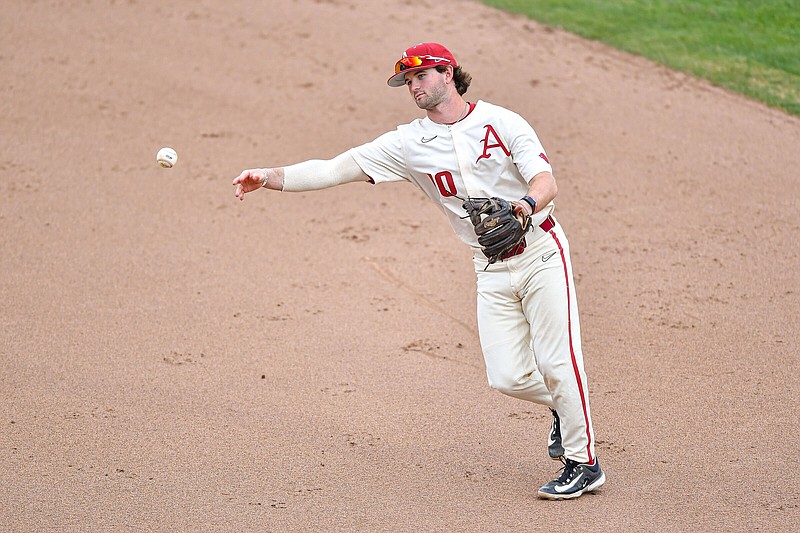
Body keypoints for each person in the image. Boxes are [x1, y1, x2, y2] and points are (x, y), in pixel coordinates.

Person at [232, 42, 605, 500]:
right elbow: (335, 169)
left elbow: (544, 180)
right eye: (407, 82)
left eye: (420, 76)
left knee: (557, 361)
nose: (413, 86)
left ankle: (584, 462)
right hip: (488, 265)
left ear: (448, 74)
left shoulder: (502, 122)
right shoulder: (408, 144)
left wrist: (525, 206)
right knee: (505, 376)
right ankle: (566, 412)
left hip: (541, 251)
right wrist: (268, 176)